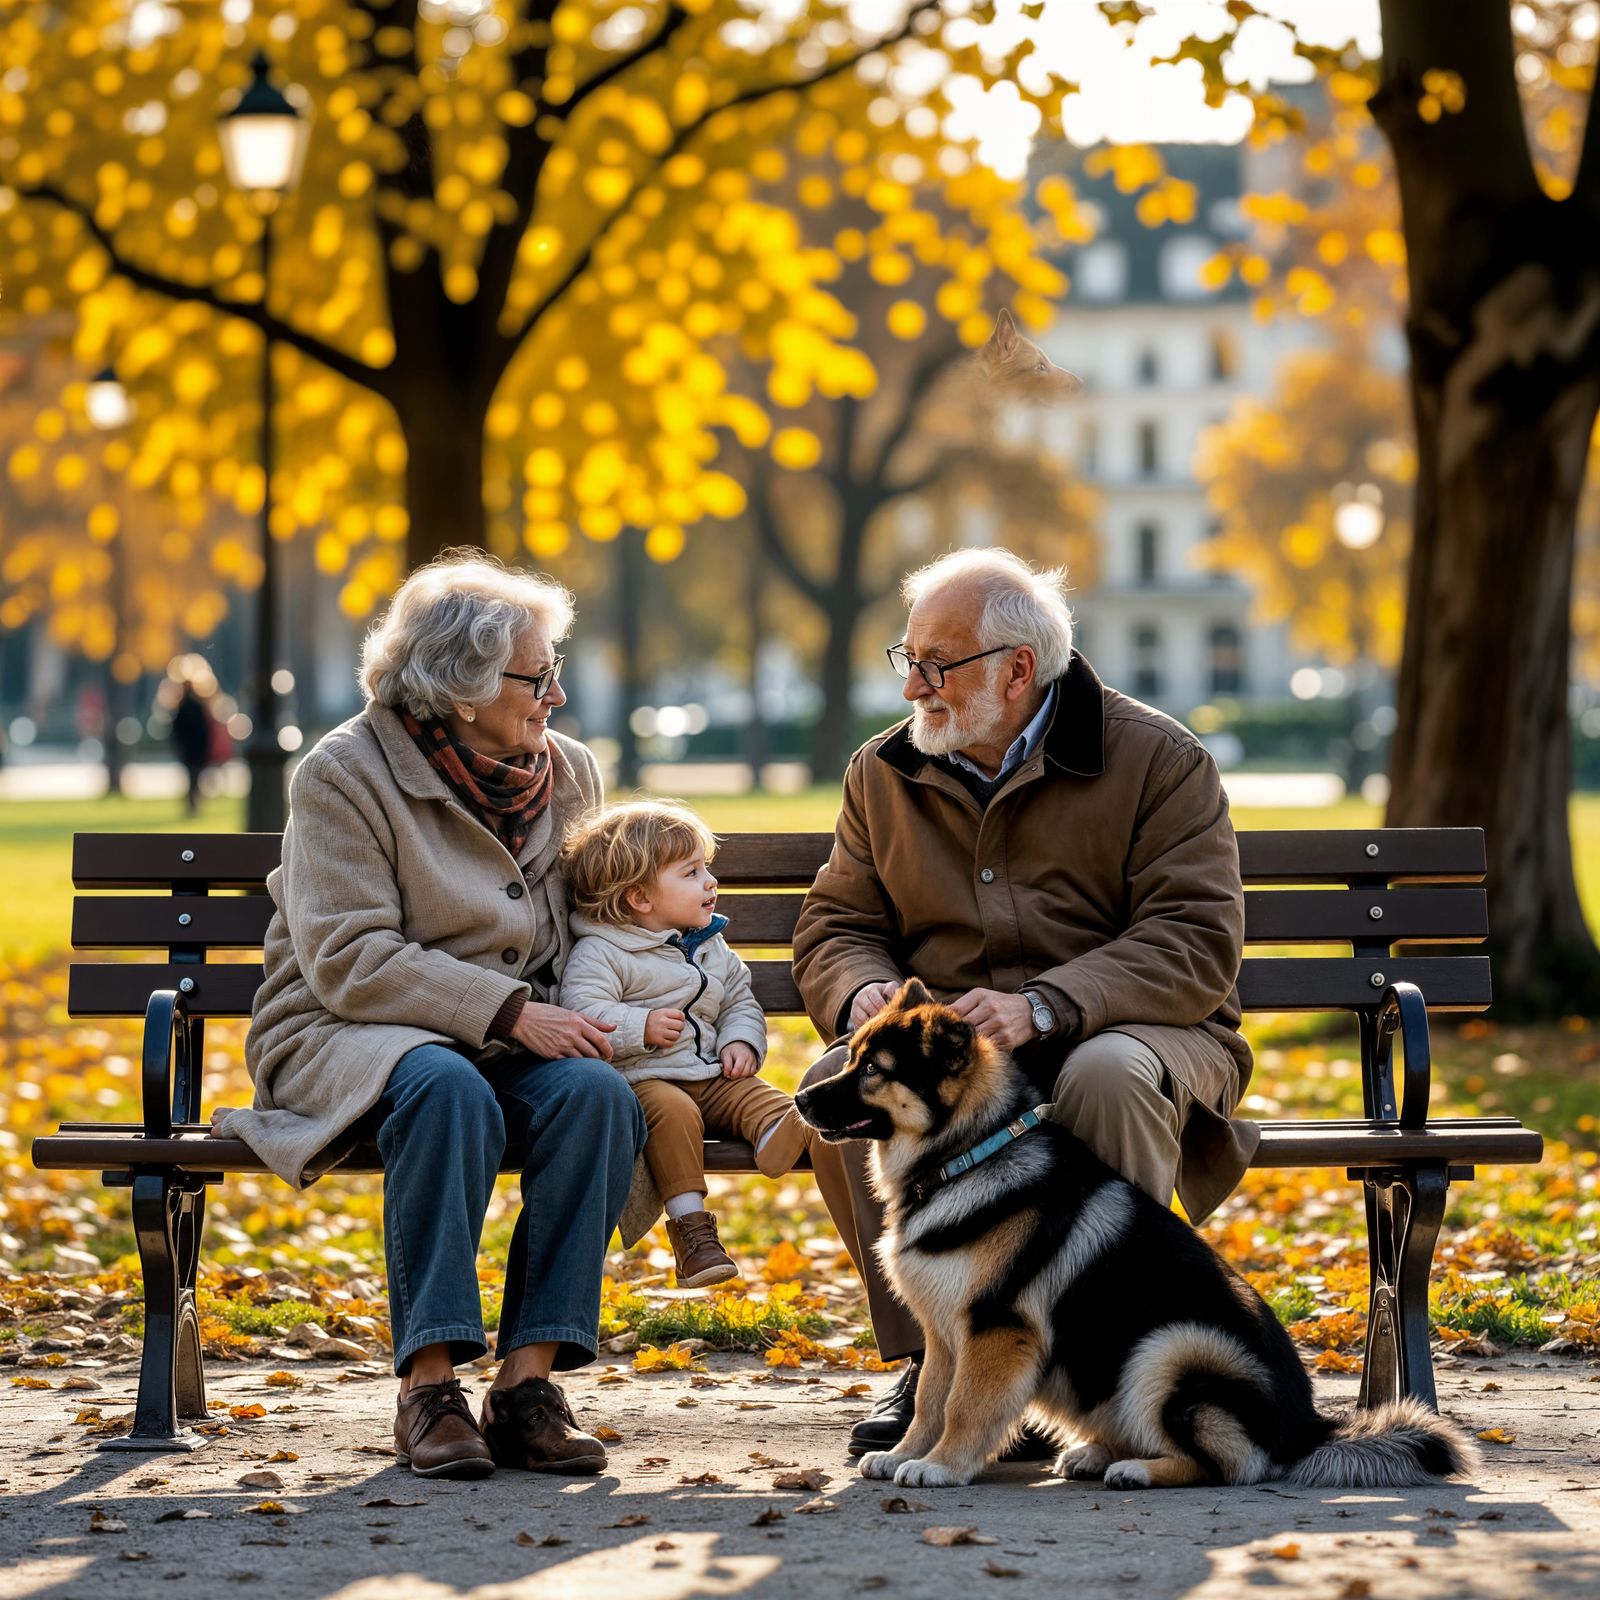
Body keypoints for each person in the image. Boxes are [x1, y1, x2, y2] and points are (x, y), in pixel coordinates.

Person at [792, 547, 1258, 1459]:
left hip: (1141, 1036)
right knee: (835, 1086)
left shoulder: (1156, 758)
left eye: (939, 664)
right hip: (957, 1064)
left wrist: (1047, 1005)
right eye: (909, 659)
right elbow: (835, 922)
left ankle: (1095, 1351)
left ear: (1017, 669)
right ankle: (937, 1362)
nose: (913, 687)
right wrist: (861, 994)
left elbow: (1196, 940)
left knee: (1105, 1072)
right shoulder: (882, 772)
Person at [212, 550, 646, 1480]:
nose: (557, 697)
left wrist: (618, 1016)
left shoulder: (565, 770)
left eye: (553, 671)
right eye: (537, 677)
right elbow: (346, 957)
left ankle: (529, 1388)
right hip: (345, 1030)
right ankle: (428, 1387)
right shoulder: (343, 772)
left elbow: (579, 929)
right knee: (445, 1086)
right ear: (462, 685)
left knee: (597, 1099)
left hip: (505, 1036)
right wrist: (509, 1009)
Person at [558, 801, 816, 1288]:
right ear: (640, 897)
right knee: (674, 1115)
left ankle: (776, 1136)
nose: (710, 882)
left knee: (770, 1101)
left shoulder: (708, 943)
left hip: (711, 1074)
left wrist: (742, 1041)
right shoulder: (602, 950)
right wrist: (641, 1024)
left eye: (707, 868)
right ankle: (693, 1234)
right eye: (692, 872)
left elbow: (740, 998)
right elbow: (583, 1011)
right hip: (645, 1081)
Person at [170, 679, 214, 816]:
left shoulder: (182, 707)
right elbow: (205, 730)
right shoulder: (196, 706)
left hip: (189, 750)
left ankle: (192, 805)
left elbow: (177, 731)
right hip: (197, 749)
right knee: (195, 778)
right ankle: (194, 805)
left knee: (192, 778)